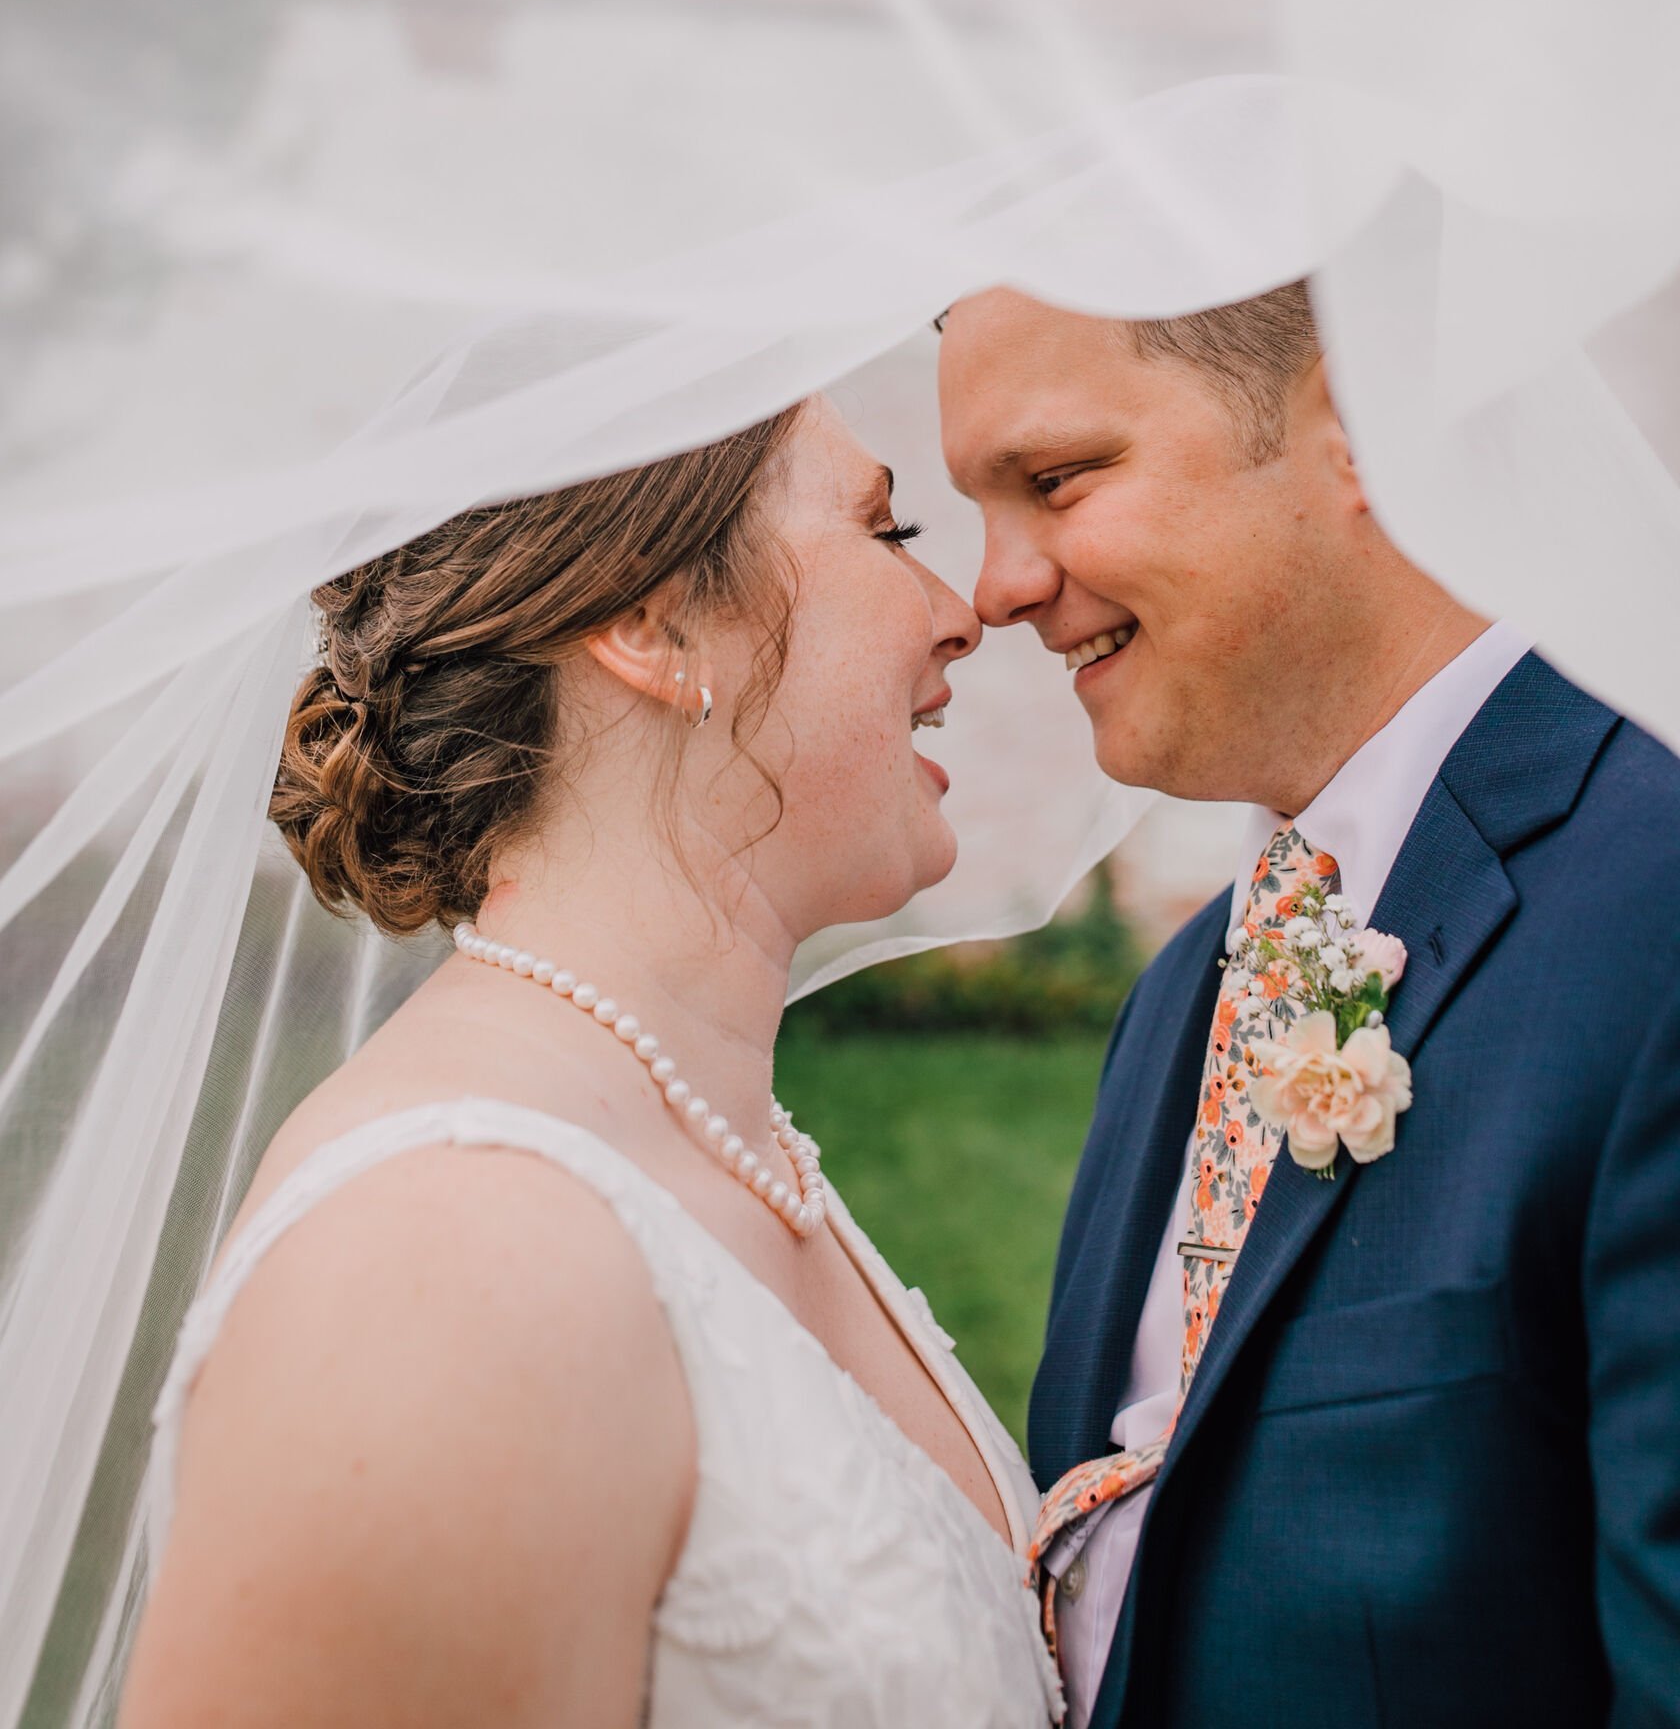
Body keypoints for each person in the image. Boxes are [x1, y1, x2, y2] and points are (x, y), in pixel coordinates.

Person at [121, 397, 1063, 1729]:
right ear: (651, 624)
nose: (960, 610)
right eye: (882, 526)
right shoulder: (441, 1260)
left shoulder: (725, 1148)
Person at [939, 282, 1680, 1729]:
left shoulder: (1658, 915)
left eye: (1055, 481)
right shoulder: (1180, 1000)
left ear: (1360, 432)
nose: (996, 586)